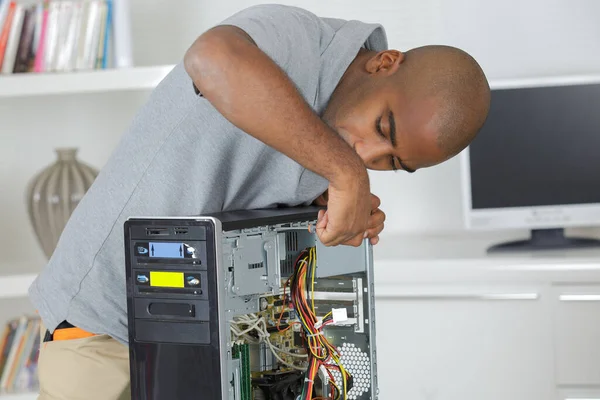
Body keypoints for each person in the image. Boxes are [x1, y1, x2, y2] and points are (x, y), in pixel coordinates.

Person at [29, 4, 490, 399]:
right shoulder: (299, 38)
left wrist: (328, 209)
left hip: (197, 347)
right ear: (384, 63)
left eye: (391, 163)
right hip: (103, 333)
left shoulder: (332, 139)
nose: (367, 155)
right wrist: (345, 175)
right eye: (383, 128)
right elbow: (212, 59)